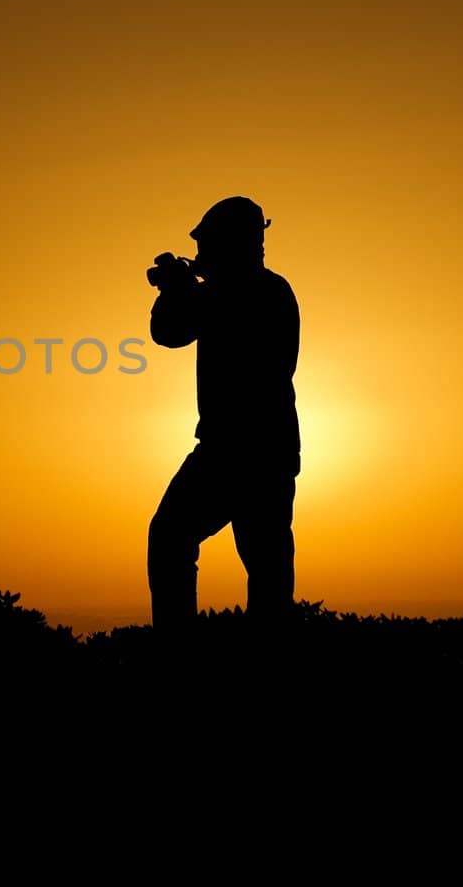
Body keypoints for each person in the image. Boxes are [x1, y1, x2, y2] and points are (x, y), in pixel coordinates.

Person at [146, 196, 300, 630]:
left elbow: (172, 330)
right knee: (264, 566)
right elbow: (168, 332)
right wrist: (180, 289)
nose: (202, 252)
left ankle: (180, 653)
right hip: (256, 451)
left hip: (238, 453)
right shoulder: (243, 291)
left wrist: (180, 287)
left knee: (177, 540)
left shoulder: (255, 292)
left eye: (209, 243)